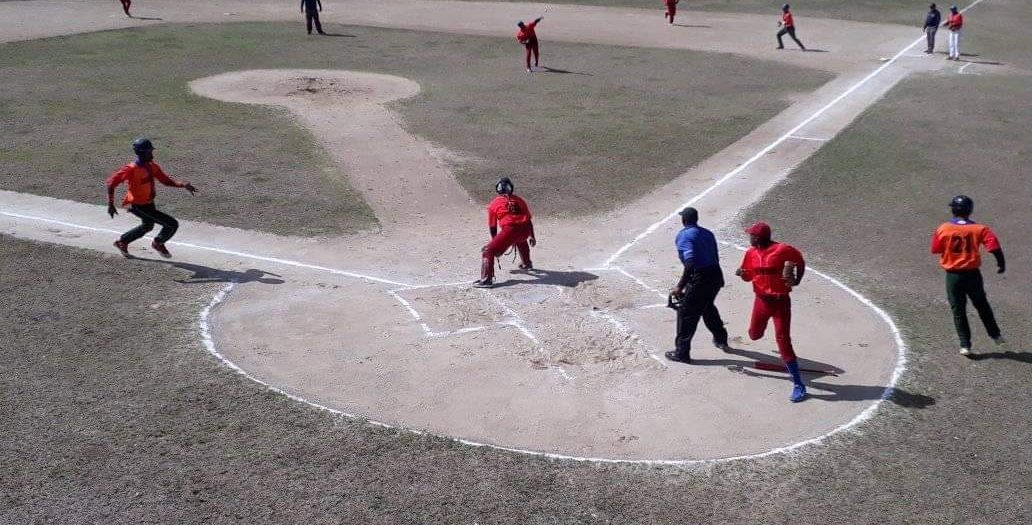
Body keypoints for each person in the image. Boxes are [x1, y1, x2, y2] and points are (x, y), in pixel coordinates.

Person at [735, 222, 808, 402]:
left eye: (751, 235)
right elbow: (748, 276)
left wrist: (797, 279)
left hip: (780, 302)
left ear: (758, 237)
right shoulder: (751, 253)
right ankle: (786, 357)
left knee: (783, 340)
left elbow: (799, 260)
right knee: (754, 335)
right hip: (761, 301)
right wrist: (742, 274)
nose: (749, 237)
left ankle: (799, 384)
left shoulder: (782, 249)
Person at [930, 195, 1006, 357]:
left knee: (958, 310)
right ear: (970, 210)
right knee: (982, 304)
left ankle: (965, 345)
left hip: (953, 276)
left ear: (953, 210)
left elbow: (935, 249)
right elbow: (994, 246)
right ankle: (995, 334)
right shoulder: (980, 229)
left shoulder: (943, 228)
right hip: (973, 275)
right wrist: (1001, 263)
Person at [107, 138, 197, 259]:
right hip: (138, 205)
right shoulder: (131, 169)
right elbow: (111, 183)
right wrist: (111, 203)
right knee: (171, 224)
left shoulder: (152, 166)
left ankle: (122, 242)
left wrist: (182, 185)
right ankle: (158, 243)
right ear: (141, 153)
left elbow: (165, 180)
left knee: (147, 226)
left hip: (149, 203)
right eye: (149, 152)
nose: (152, 154)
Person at [664, 207, 730, 364]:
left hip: (700, 278)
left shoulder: (684, 236)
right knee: (707, 306)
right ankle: (721, 338)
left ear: (684, 220)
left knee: (686, 314)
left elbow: (690, 263)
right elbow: (714, 256)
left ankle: (682, 353)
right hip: (715, 275)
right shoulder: (708, 233)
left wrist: (680, 286)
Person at [474, 178, 536, 288]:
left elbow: (493, 226)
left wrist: (495, 244)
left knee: (488, 250)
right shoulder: (520, 200)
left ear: (498, 190)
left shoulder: (494, 203)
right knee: (520, 240)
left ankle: (486, 280)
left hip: (510, 230)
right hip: (525, 230)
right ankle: (526, 263)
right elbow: (528, 220)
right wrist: (532, 236)